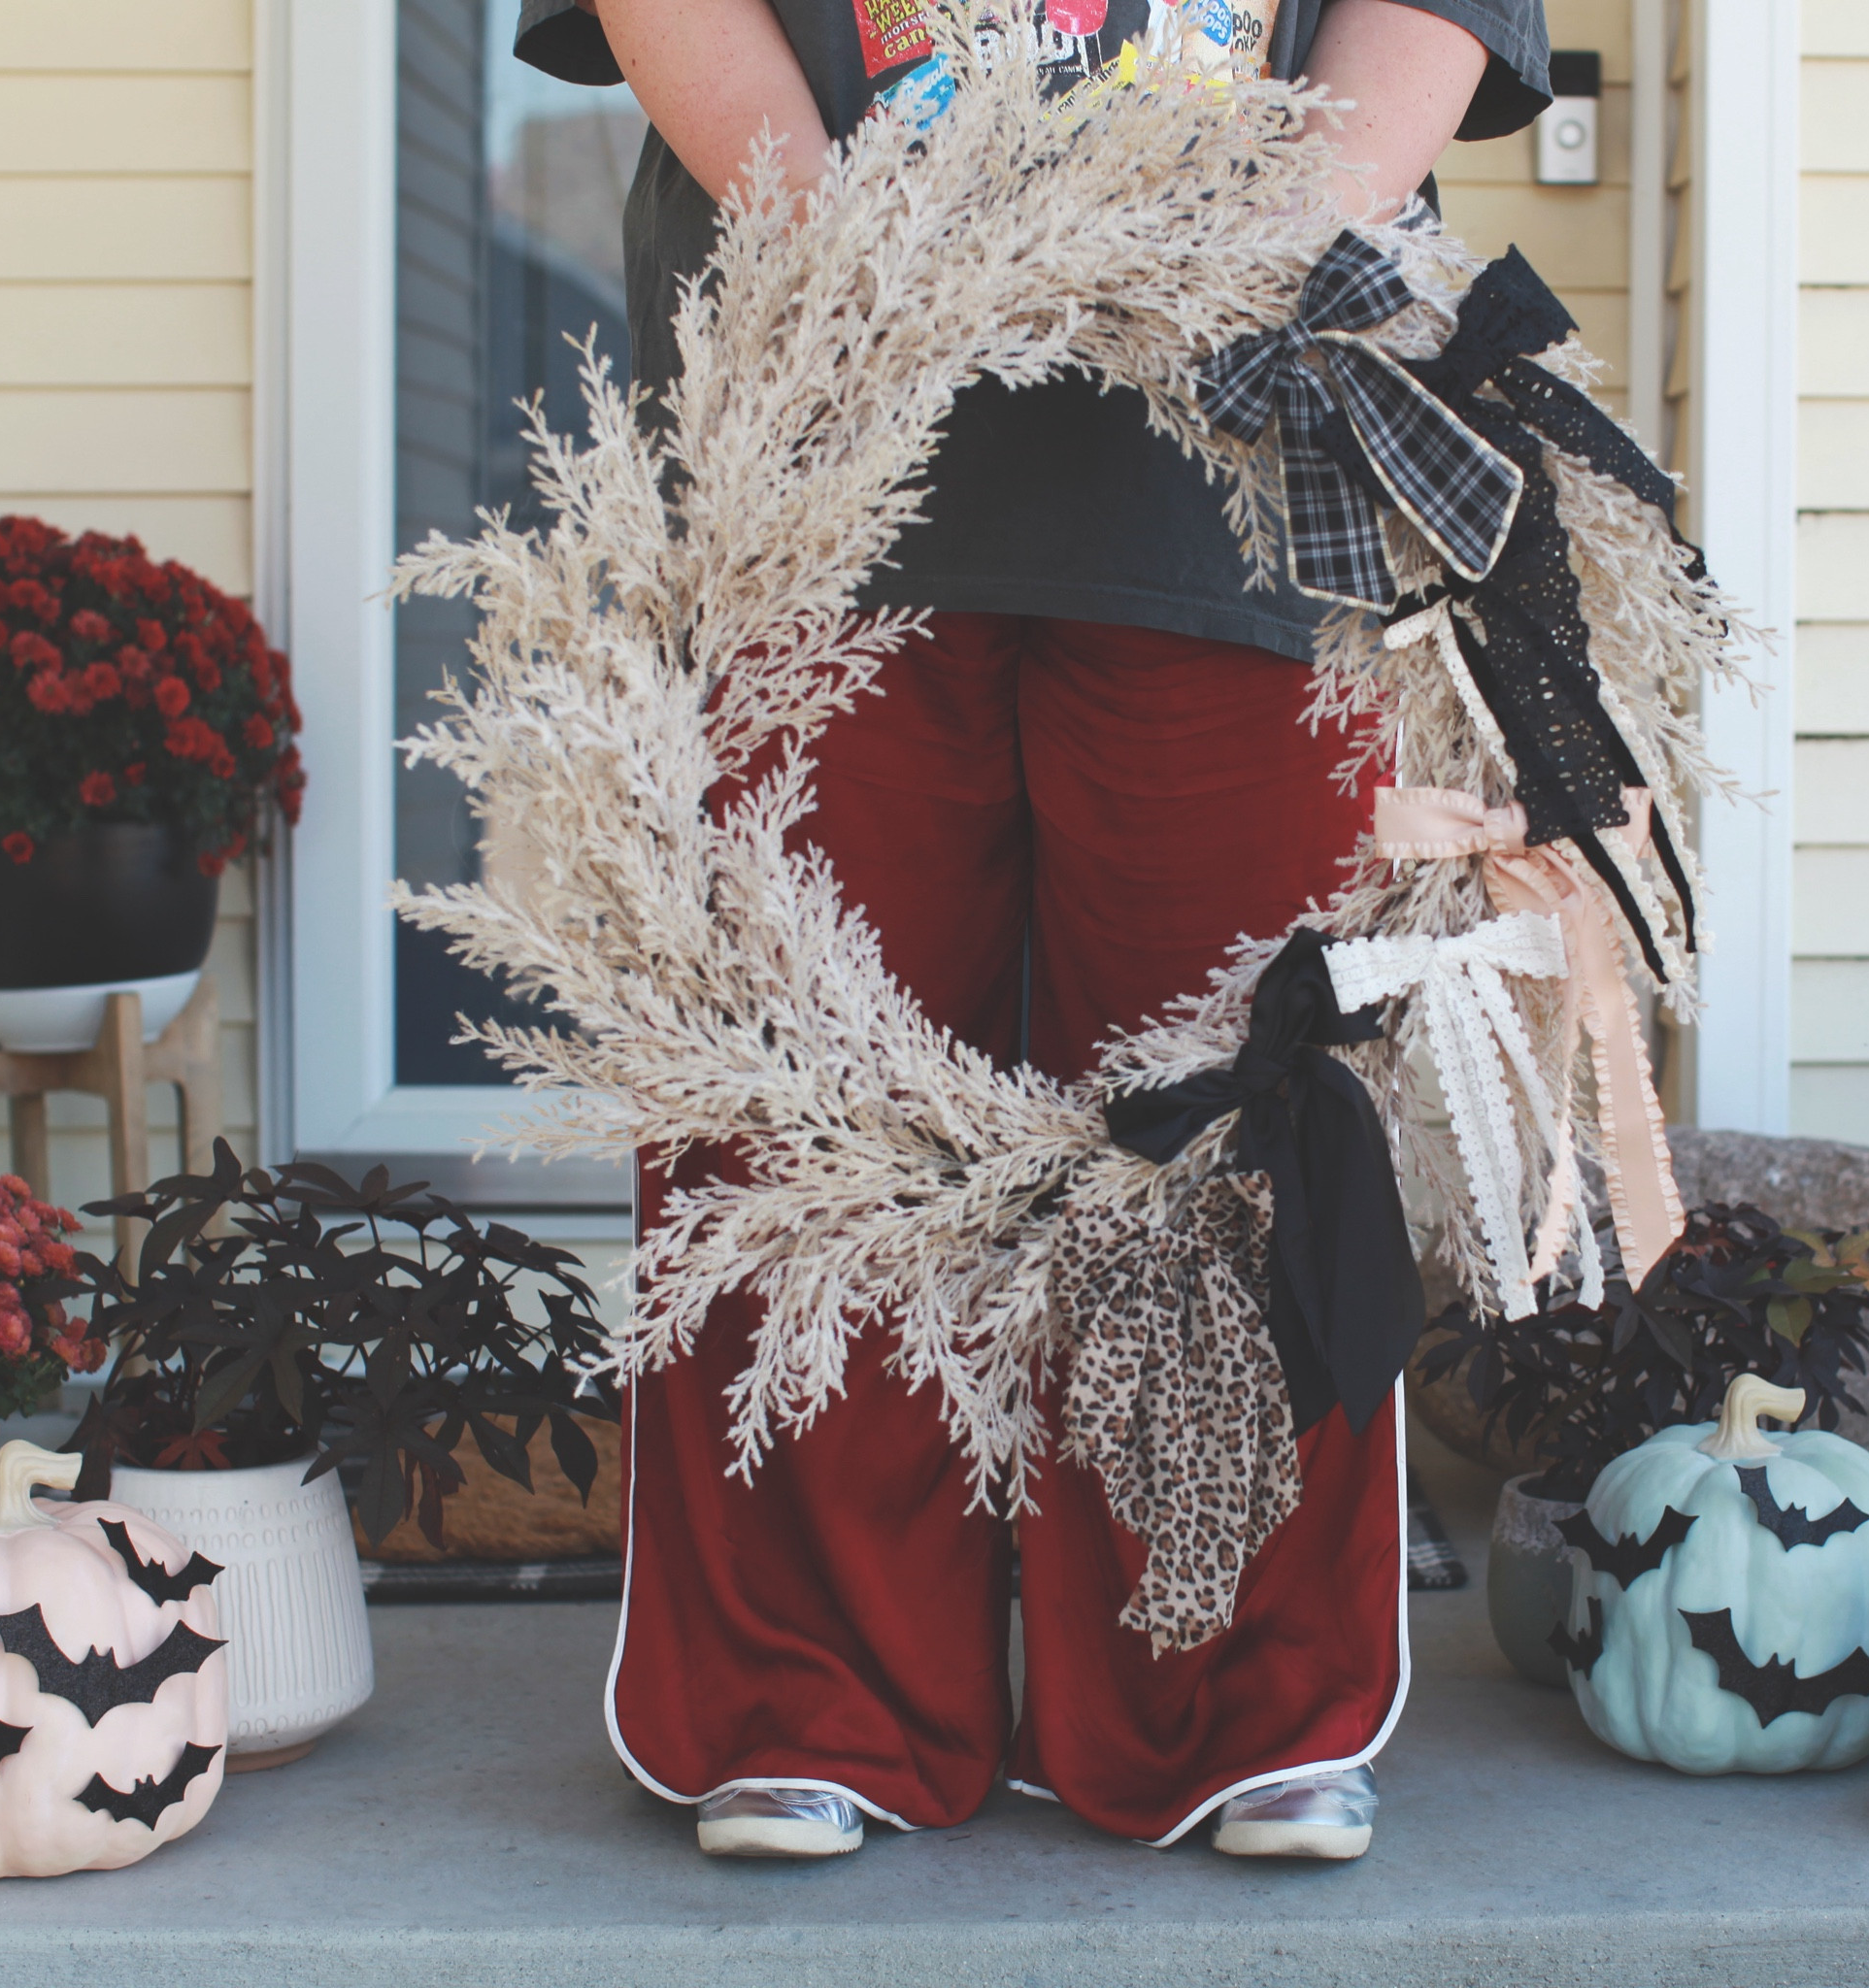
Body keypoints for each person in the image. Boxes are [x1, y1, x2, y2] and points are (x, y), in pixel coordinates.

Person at [514, 0, 1551, 1860]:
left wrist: (1219, 251)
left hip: (1234, 473)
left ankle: (1231, 1687)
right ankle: (811, 1689)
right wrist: (867, 268)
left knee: (1236, 1099)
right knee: (803, 1106)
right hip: (818, 451)